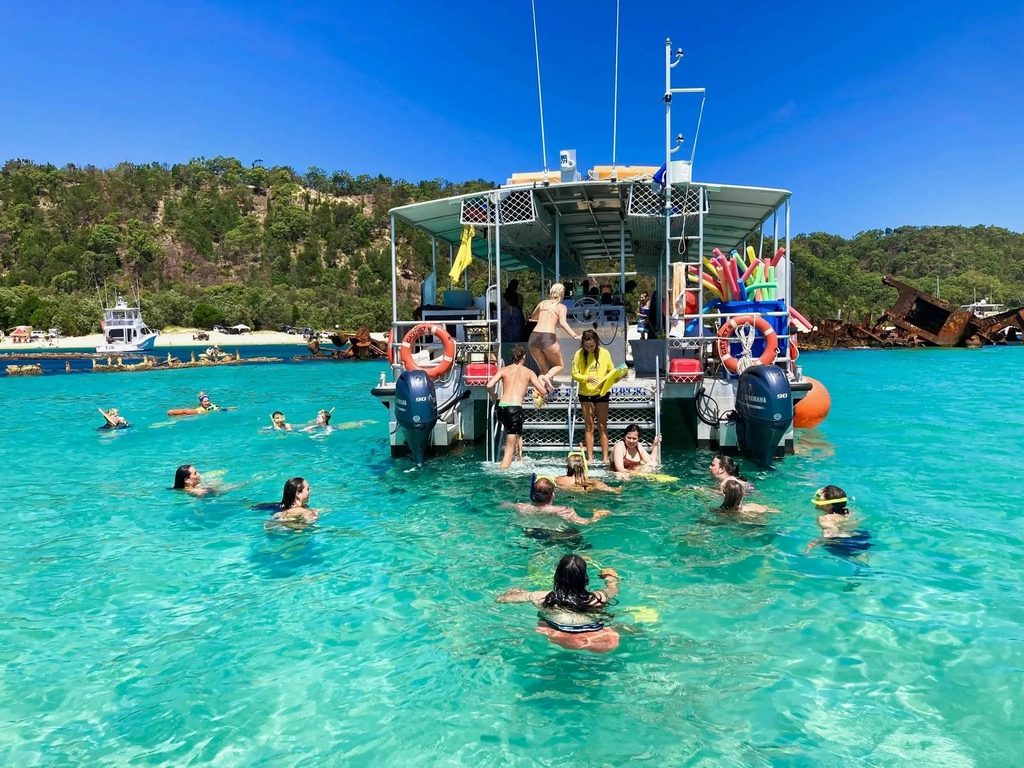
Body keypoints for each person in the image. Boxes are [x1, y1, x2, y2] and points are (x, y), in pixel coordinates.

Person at [495, 553, 621, 653]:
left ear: (556, 577)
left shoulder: (542, 597)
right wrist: (611, 577)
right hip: (596, 637)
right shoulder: (599, 598)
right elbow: (613, 589)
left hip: (556, 635)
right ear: (585, 578)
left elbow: (500, 600)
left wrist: (514, 592)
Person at [486, 345, 547, 469]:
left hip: (501, 408)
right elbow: (543, 391)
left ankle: (519, 458)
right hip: (515, 409)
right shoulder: (528, 372)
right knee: (508, 450)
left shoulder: (503, 370)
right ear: (524, 357)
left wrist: (494, 395)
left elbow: (489, 385)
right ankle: (501, 475)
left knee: (517, 432)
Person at [571, 330, 614, 464]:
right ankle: (590, 457)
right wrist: (586, 378)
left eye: (592, 346)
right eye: (587, 346)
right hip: (585, 394)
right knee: (589, 426)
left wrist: (614, 378)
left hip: (602, 393)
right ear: (583, 344)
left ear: (596, 343)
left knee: (602, 425)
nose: (589, 349)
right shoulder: (578, 354)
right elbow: (574, 374)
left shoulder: (604, 353)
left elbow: (611, 370)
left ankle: (605, 457)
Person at [528, 283, 581, 389]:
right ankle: (548, 377)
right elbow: (563, 323)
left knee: (543, 369)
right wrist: (574, 336)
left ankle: (538, 396)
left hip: (534, 337)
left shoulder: (542, 304)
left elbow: (533, 317)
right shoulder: (561, 307)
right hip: (548, 337)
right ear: (562, 293)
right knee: (559, 365)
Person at [504, 476, 611, 525]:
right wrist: (597, 516)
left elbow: (504, 505)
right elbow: (584, 523)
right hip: (553, 537)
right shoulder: (561, 510)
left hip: (529, 534)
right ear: (553, 495)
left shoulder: (521, 506)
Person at [805, 485, 872, 559]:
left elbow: (830, 537)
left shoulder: (824, 518)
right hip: (861, 536)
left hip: (845, 543)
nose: (816, 502)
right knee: (862, 561)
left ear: (828, 505)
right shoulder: (850, 511)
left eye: (818, 501)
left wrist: (814, 543)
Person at [555, 451, 621, 494]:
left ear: (568, 466)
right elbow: (615, 490)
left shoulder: (558, 480)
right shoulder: (593, 482)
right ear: (583, 466)